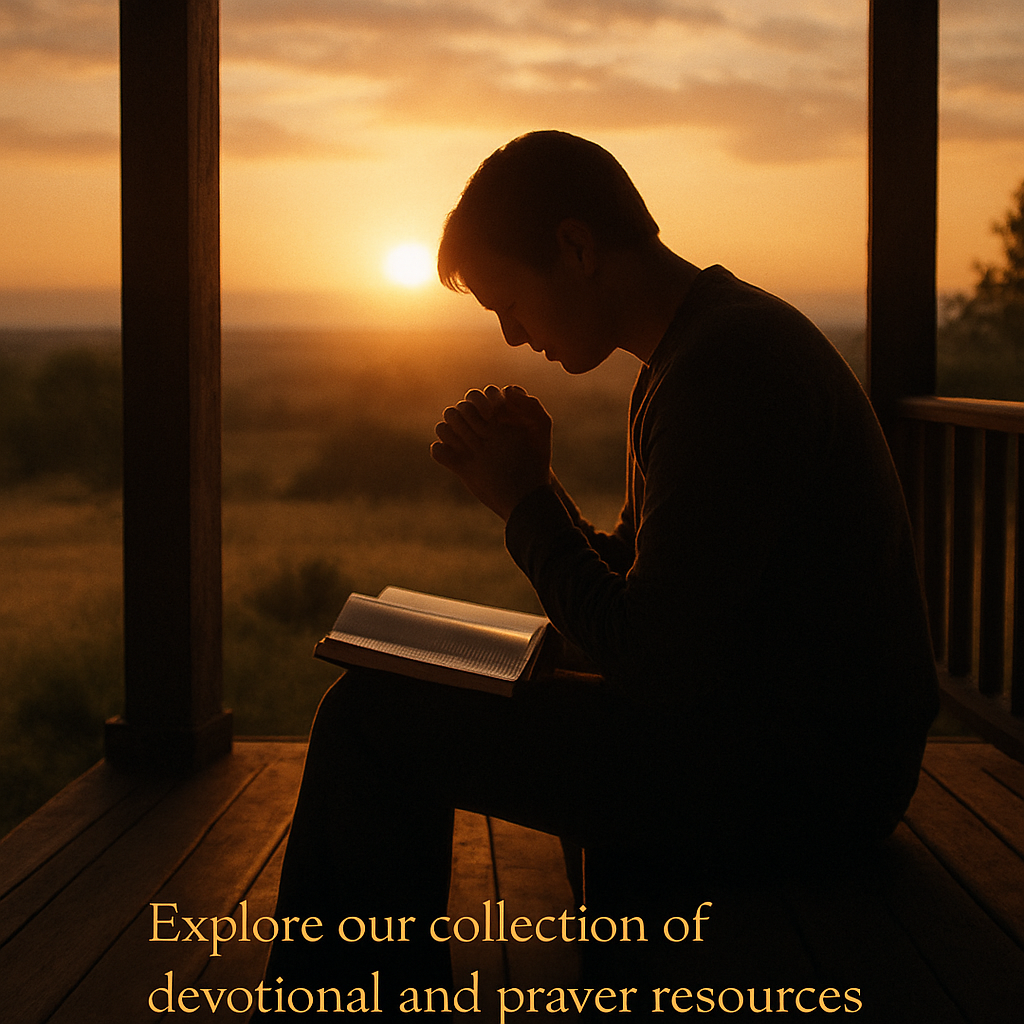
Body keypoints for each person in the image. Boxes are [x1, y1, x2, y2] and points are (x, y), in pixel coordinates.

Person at [254, 131, 938, 1017]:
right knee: (390, 693)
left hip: (805, 779)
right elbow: (651, 592)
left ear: (577, 247)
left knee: (372, 723)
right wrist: (533, 494)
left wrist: (527, 506)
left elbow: (655, 660)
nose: (510, 334)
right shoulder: (697, 353)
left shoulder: (729, 368)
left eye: (510, 302)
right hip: (774, 740)